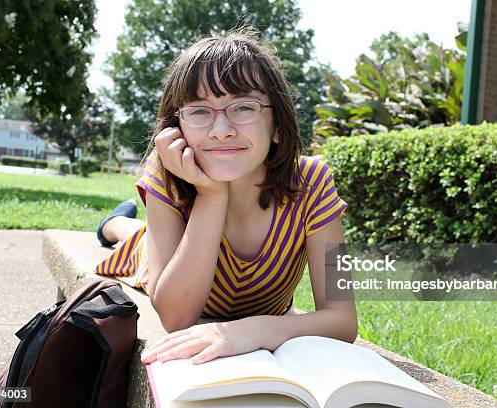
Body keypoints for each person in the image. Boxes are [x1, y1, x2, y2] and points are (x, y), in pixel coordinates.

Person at [94, 26, 357, 366]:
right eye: (200, 111)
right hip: (163, 254)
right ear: (178, 127)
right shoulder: (167, 176)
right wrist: (211, 192)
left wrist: (253, 330)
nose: (221, 130)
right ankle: (113, 223)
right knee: (139, 242)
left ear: (277, 125)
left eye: (244, 107)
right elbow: (176, 318)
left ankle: (120, 222)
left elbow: (343, 318)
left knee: (142, 235)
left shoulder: (314, 182)